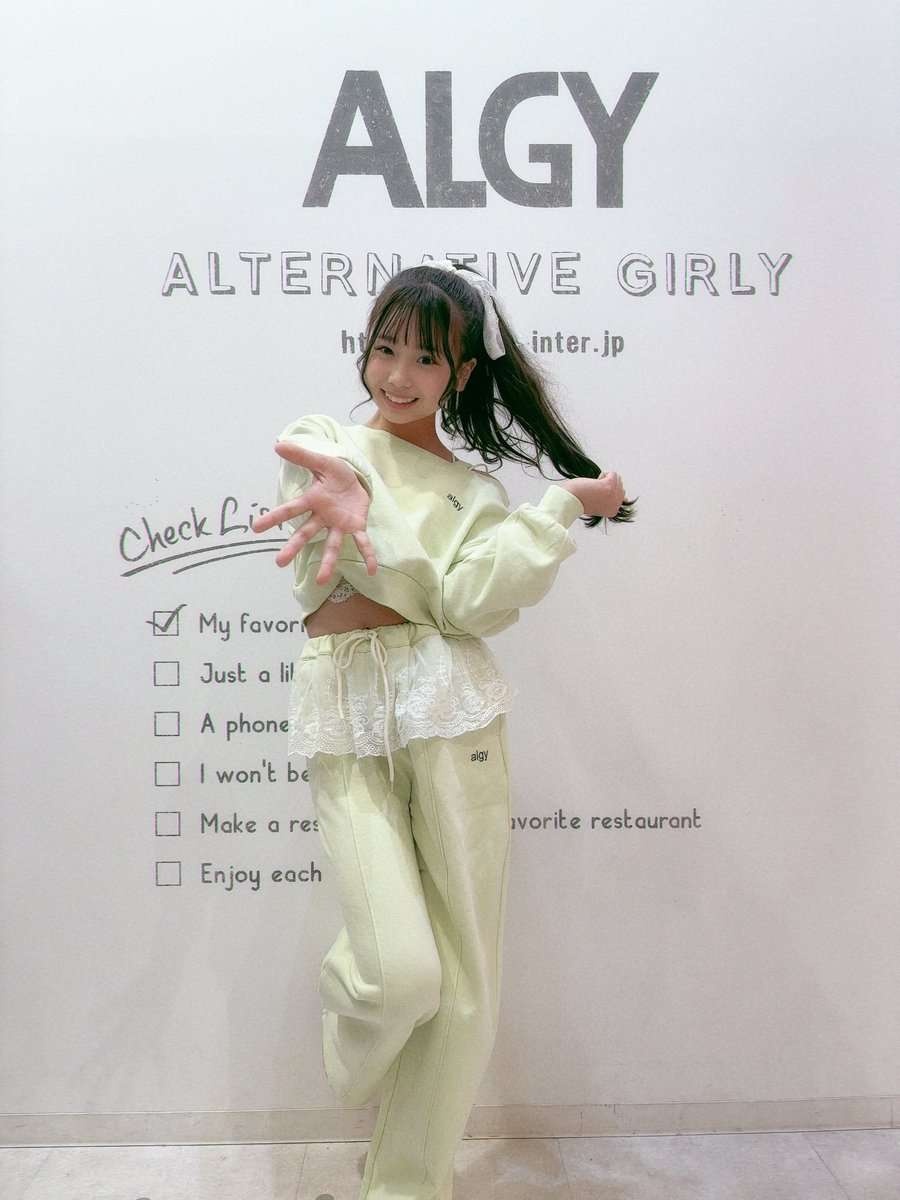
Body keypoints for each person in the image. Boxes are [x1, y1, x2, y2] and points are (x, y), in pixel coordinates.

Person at [251, 259, 636, 1200]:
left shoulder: (477, 496)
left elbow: (463, 606)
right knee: (399, 977)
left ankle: (407, 1187)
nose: (397, 374)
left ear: (460, 371)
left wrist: (555, 509)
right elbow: (354, 564)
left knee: (463, 990)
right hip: (347, 714)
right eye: (385, 348)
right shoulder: (324, 444)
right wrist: (375, 527)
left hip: (450, 712)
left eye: (425, 358)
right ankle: (358, 1046)